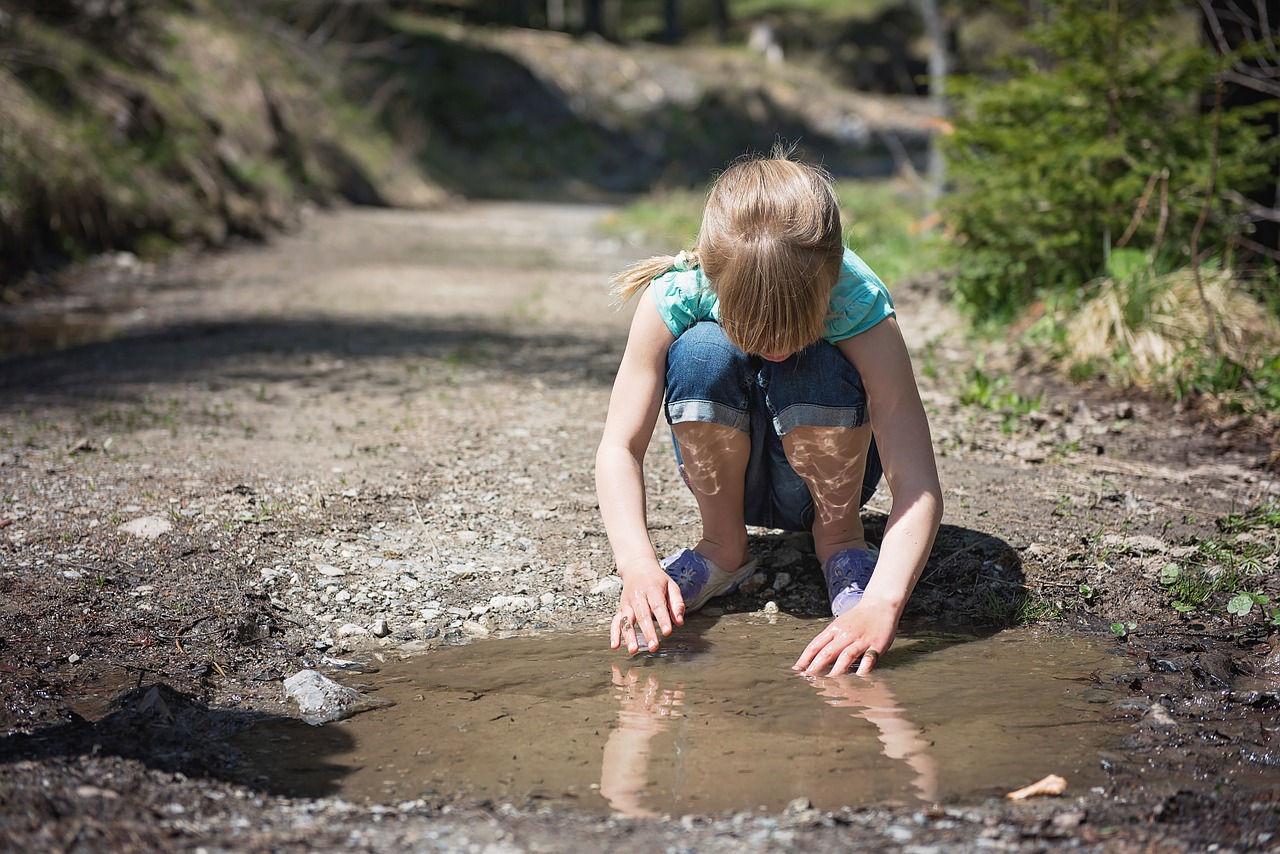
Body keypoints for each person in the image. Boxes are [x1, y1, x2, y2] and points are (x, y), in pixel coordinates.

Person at [595, 149, 942, 677]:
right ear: (713, 280)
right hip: (734, 481)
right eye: (754, 333)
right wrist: (639, 566)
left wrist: (883, 603)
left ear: (829, 284)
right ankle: (723, 545)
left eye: (792, 331)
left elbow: (916, 481)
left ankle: (841, 542)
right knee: (704, 352)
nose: (775, 350)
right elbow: (619, 446)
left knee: (817, 364)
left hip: (828, 487)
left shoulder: (858, 304)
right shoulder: (680, 293)